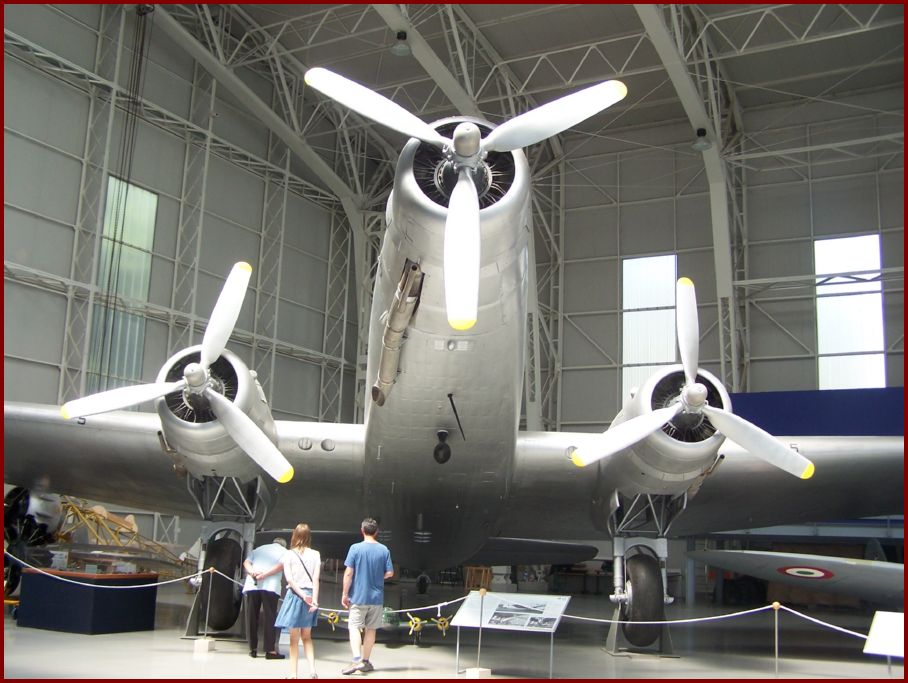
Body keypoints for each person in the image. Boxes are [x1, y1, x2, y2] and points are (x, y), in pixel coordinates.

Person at [341, 518, 394, 675]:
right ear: (377, 532)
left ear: (362, 530)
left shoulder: (355, 548)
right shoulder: (384, 550)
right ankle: (365, 661)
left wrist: (344, 593)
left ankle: (356, 659)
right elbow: (390, 572)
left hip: (358, 596)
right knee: (371, 629)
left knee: (354, 627)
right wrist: (379, 577)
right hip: (376, 598)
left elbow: (349, 572)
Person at [275, 523, 321, 679]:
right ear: (309, 536)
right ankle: (312, 670)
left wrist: (302, 595)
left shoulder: (288, 554)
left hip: (295, 596)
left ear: (294, 535)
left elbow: (290, 580)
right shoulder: (316, 554)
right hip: (309, 597)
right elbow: (315, 579)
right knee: (307, 637)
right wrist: (313, 600)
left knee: (293, 639)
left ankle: (293, 674)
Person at [242, 537, 287, 660]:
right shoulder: (285, 552)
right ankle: (270, 650)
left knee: (252, 616)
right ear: (283, 545)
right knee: (270, 617)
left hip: (252, 584)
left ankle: (253, 649)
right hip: (270, 586)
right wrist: (265, 575)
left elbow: (246, 562)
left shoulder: (259, 549)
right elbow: (281, 566)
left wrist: (253, 573)